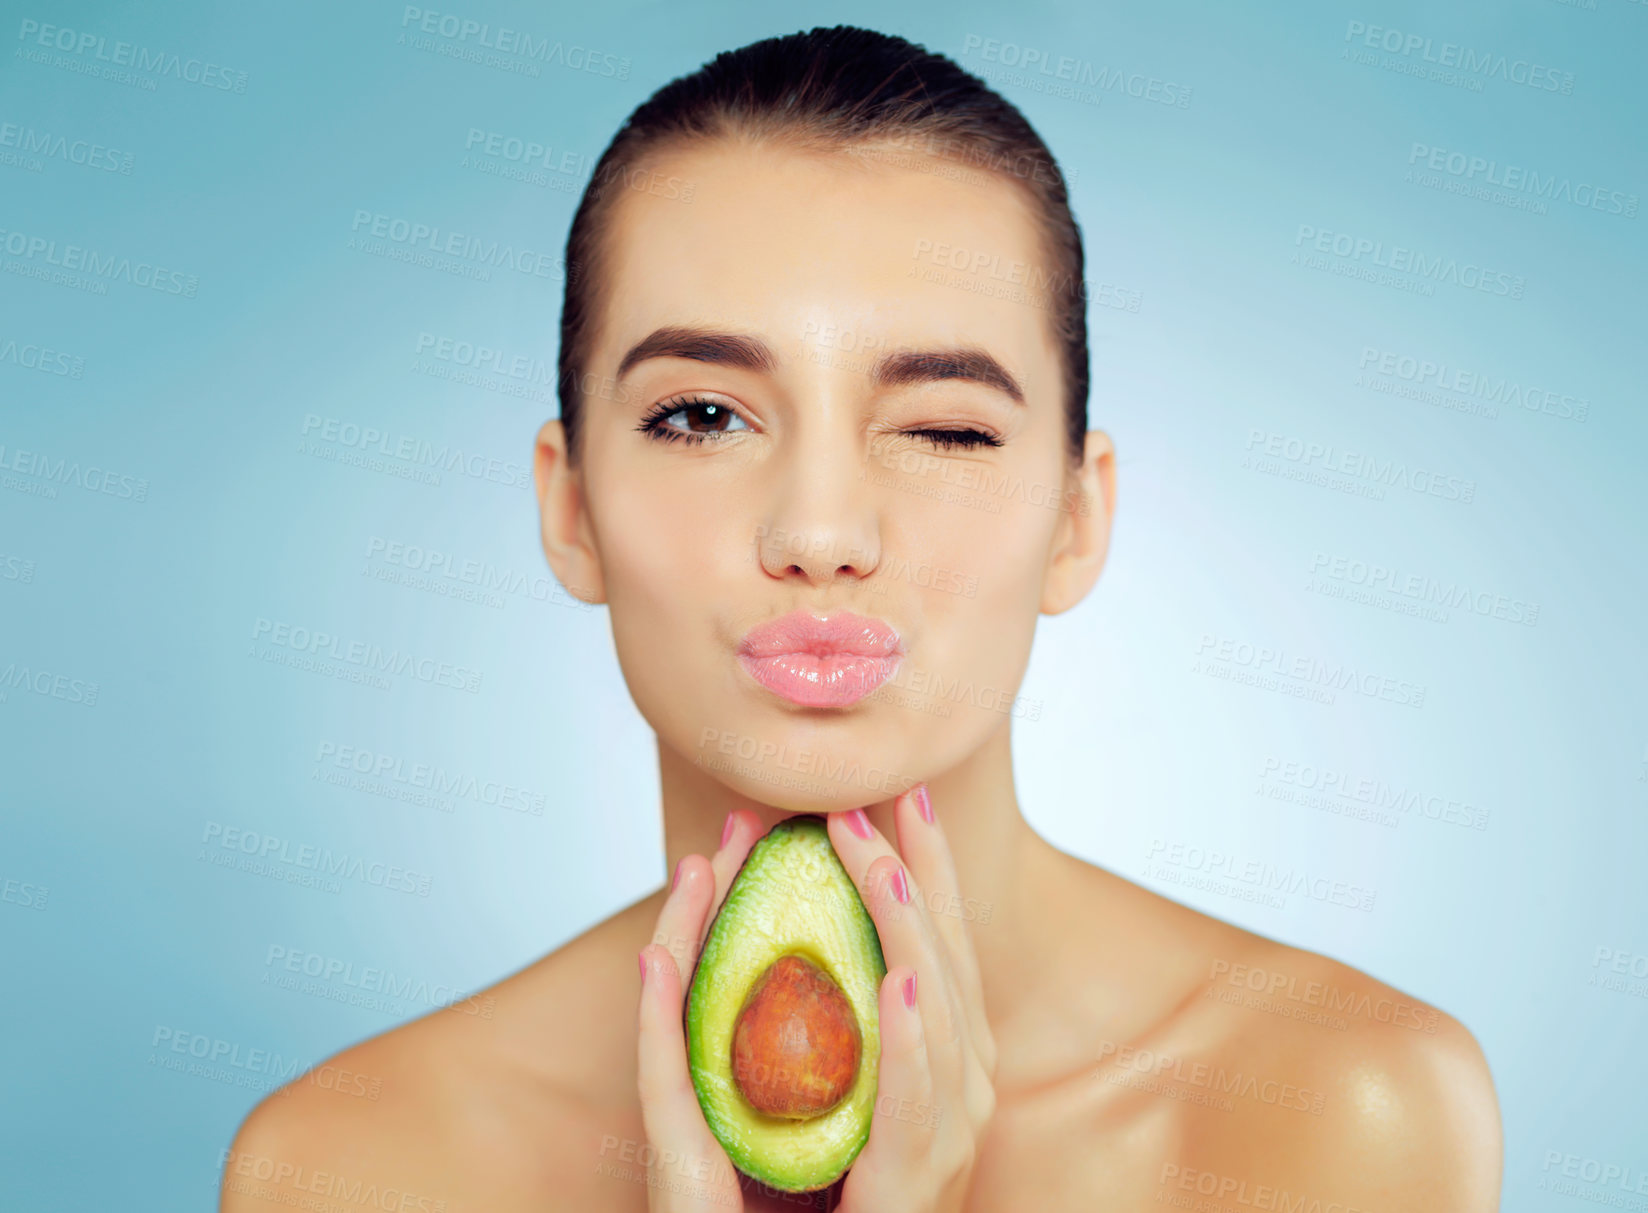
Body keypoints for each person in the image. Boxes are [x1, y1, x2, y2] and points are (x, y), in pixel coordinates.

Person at [222, 25, 1501, 1212]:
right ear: (570, 511)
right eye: (703, 416)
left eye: (944, 426)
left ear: (1076, 516)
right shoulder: (352, 1166)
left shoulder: (1340, 1118)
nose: (821, 534)